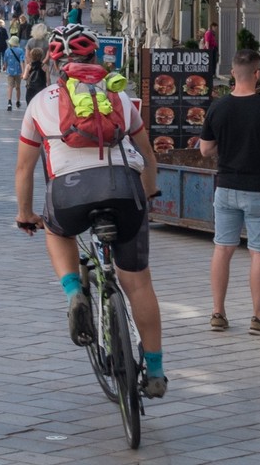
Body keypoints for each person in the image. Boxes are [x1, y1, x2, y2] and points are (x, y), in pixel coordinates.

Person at [13, 24, 167, 398]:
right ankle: (157, 370)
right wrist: (147, 196)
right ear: (96, 58)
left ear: (53, 62)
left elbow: (24, 169)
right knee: (139, 283)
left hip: (70, 193)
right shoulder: (121, 96)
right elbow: (147, 154)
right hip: (125, 187)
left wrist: (25, 213)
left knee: (56, 229)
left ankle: (73, 293)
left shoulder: (41, 102)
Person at [200, 49, 260, 334]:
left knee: (222, 249)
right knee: (259, 253)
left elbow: (205, 150)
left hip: (226, 186)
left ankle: (217, 313)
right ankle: (259, 317)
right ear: (257, 73)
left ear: (232, 73)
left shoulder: (218, 107)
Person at [3, 36, 25, 111]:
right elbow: (22, 61)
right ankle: (18, 101)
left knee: (10, 87)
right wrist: (23, 72)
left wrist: (5, 68)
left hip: (10, 72)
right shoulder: (21, 51)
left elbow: (5, 61)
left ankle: (9, 102)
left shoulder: (7, 51)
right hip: (18, 72)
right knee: (18, 87)